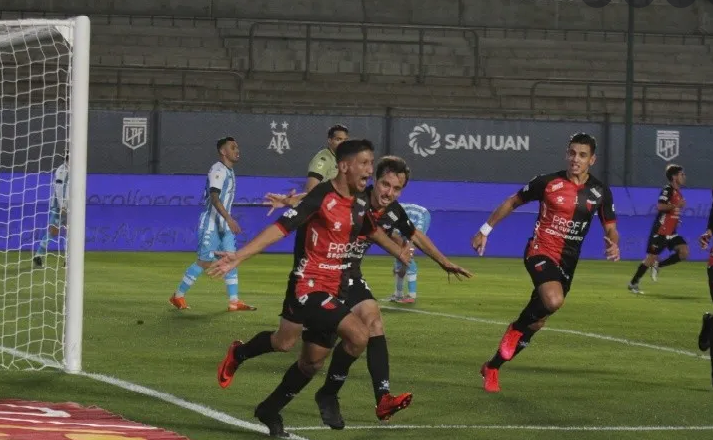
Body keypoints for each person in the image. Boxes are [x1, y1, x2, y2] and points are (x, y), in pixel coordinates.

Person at [209, 140, 413, 437]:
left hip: (336, 289)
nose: (370, 170)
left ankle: (265, 402)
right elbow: (280, 228)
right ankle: (329, 395)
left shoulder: (359, 202)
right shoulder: (321, 197)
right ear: (344, 166)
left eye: (371, 163)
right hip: (308, 284)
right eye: (365, 163)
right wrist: (238, 256)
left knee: (302, 356)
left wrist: (399, 251)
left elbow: (373, 231)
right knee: (358, 334)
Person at [264, 156, 472, 428]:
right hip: (321, 277)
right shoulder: (354, 197)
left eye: (397, 189)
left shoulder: (394, 211)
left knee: (373, 320)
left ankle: (379, 396)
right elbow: (321, 199)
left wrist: (444, 262)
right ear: (375, 180)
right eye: (385, 185)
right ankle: (280, 401)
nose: (389, 193)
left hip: (350, 277)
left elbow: (416, 234)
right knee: (309, 360)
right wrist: (291, 201)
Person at [471, 132, 620, 393]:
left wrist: (613, 241)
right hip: (540, 251)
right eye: (572, 153)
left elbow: (610, 226)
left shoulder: (600, 193)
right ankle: (514, 328)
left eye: (582, 155)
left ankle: (492, 367)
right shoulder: (548, 182)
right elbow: (513, 201)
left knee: (537, 322)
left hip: (567, 264)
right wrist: (485, 229)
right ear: (567, 154)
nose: (576, 159)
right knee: (553, 301)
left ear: (592, 160)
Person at [168, 137, 255, 312]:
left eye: (237, 147)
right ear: (223, 151)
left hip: (224, 224)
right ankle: (177, 296)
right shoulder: (218, 170)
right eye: (232, 147)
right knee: (203, 262)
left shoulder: (229, 171)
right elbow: (214, 198)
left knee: (232, 258)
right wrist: (229, 219)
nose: (237, 150)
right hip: (211, 224)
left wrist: (227, 220)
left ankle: (234, 301)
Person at [628, 164, 689, 294]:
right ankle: (633, 283)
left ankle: (658, 265)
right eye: (681, 174)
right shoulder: (668, 189)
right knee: (650, 258)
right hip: (660, 230)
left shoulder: (678, 193)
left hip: (671, 231)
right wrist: (676, 205)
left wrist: (676, 219)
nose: (684, 177)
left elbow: (672, 211)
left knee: (684, 252)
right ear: (674, 177)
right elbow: (660, 206)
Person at [33, 152, 69, 268]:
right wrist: (62, 206)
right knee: (53, 232)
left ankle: (68, 260)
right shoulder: (61, 171)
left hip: (70, 207)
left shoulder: (74, 170)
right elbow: (58, 189)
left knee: (69, 233)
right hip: (59, 208)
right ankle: (38, 255)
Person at [391, 203, 431, 303]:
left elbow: (408, 244)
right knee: (400, 255)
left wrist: (403, 265)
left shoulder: (388, 219)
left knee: (408, 252)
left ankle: (411, 295)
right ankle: (398, 293)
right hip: (405, 220)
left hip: (420, 215)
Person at [303, 124, 349, 193]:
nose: (343, 143)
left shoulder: (344, 157)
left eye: (345, 140)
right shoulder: (323, 159)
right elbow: (310, 189)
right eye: (338, 139)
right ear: (330, 140)